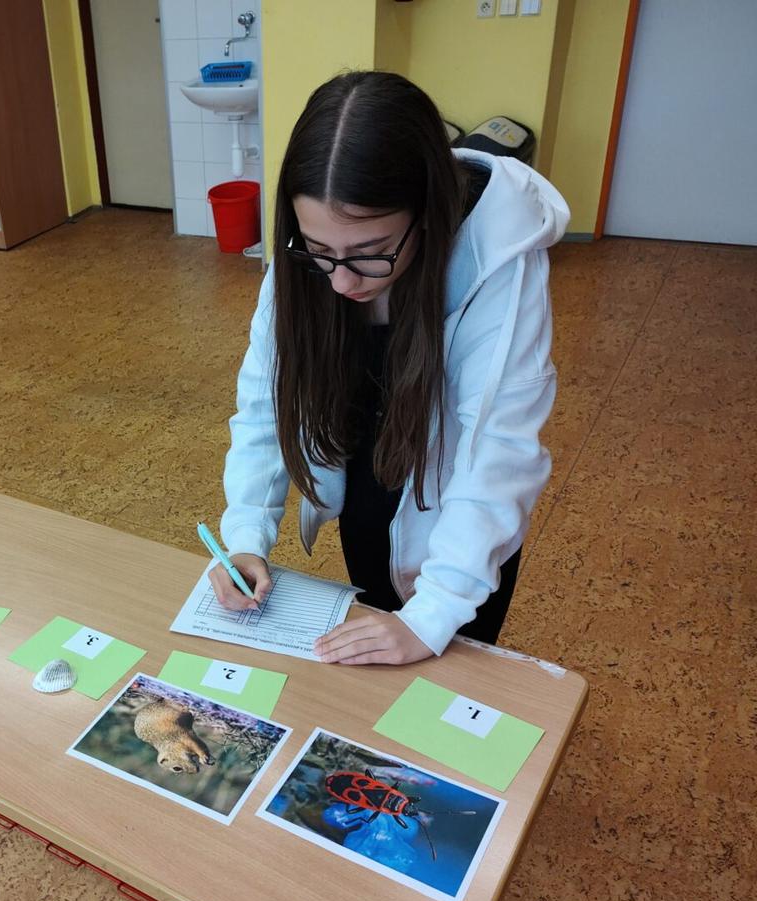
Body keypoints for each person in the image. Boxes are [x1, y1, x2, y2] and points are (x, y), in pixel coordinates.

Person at [210, 71, 568, 666]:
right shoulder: (311, 251)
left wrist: (432, 616)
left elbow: (497, 453)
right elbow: (266, 400)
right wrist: (246, 535)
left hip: (462, 510)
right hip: (364, 479)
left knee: (448, 668)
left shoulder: (500, 263)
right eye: (320, 253)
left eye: (371, 254)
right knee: (373, 637)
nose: (342, 281)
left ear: (427, 214)